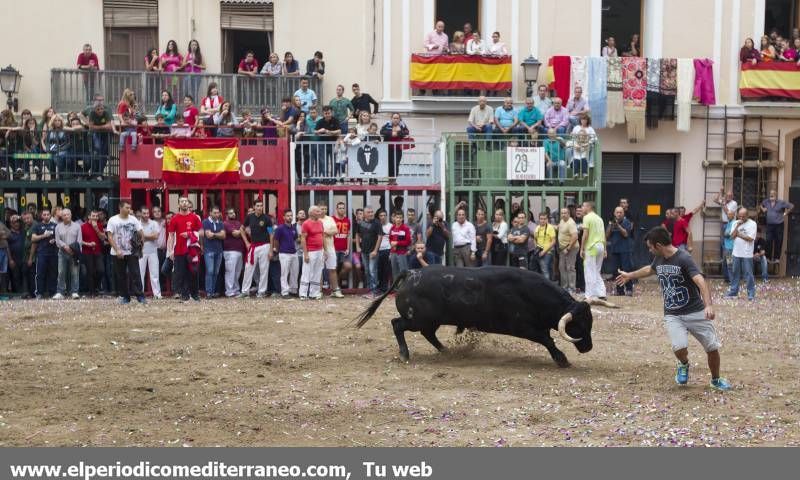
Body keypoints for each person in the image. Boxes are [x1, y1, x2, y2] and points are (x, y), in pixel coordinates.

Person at [615, 226, 732, 391]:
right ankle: (683, 364)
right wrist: (630, 275)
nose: (649, 250)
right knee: (679, 347)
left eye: (650, 247)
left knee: (712, 347)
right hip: (673, 314)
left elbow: (701, 281)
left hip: (695, 311)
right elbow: (650, 269)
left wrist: (708, 305)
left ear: (659, 245)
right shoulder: (659, 258)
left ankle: (716, 379)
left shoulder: (684, 258)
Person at [106, 201, 145, 305]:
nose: (129, 210)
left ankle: (140, 296)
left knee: (136, 273)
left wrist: (141, 246)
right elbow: (109, 236)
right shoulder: (113, 220)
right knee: (121, 275)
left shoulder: (133, 219)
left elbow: (141, 232)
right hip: (117, 252)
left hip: (131, 251)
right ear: (120, 208)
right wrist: (117, 249)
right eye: (127, 208)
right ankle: (125, 297)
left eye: (129, 208)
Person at [168, 197, 202, 302]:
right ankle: (185, 295)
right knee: (180, 273)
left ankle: (195, 294)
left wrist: (189, 234)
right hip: (179, 250)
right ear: (178, 205)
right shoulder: (174, 218)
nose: (184, 203)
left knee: (194, 272)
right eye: (182, 201)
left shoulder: (195, 217)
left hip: (192, 250)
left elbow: (200, 232)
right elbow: (171, 236)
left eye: (186, 201)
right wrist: (170, 251)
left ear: (188, 203)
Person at [239, 200, 273, 298]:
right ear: (254, 207)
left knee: (264, 269)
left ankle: (261, 292)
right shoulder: (250, 217)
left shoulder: (267, 219)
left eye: (261, 206)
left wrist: (271, 250)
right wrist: (246, 242)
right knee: (248, 268)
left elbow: (271, 234)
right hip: (253, 246)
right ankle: (245, 291)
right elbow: (241, 229)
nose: (259, 207)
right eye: (257, 206)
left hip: (265, 246)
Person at [724, 207, 757, 301]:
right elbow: (731, 237)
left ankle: (751, 294)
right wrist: (737, 227)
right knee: (735, 273)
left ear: (747, 215)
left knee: (748, 274)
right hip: (736, 253)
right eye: (740, 216)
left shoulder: (752, 224)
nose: (741, 218)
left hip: (747, 253)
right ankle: (733, 292)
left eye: (743, 216)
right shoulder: (735, 223)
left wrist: (738, 234)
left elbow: (750, 238)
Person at [52, 208, 82, 300]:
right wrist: (65, 246)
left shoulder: (77, 226)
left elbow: (79, 240)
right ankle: (60, 292)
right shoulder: (57, 227)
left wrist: (74, 250)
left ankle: (74, 292)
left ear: (71, 215)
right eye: (64, 215)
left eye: (68, 214)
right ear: (62, 216)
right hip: (62, 252)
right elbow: (57, 241)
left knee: (74, 272)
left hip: (74, 253)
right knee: (61, 272)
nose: (66, 216)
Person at [580, 201, 606, 301]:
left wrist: (582, 248)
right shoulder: (599, 219)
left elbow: (585, 235)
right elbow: (603, 234)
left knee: (589, 271)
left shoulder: (587, 218)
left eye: (583, 206)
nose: (582, 208)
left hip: (591, 247)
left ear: (588, 207)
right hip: (600, 246)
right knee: (597, 270)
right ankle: (601, 293)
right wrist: (605, 249)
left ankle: (589, 295)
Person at [317, 204, 344, 298]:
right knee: (319, 270)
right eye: (322, 209)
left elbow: (335, 231)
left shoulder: (330, 219)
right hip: (319, 248)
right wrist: (328, 232)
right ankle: (318, 291)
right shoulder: (316, 220)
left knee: (332, 269)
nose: (324, 210)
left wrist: (325, 232)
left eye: (325, 209)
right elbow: (317, 233)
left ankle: (335, 290)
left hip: (330, 247)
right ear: (318, 209)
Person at [356, 207, 383, 298]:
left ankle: (374, 291)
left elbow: (380, 236)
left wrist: (375, 250)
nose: (371, 214)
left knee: (372, 271)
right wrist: (357, 246)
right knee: (367, 271)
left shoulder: (377, 222)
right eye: (368, 212)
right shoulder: (361, 223)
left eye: (372, 212)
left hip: (373, 252)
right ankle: (369, 290)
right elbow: (357, 234)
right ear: (364, 214)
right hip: (364, 251)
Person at [759, 189, 794, 262]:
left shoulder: (781, 202)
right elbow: (760, 205)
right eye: (771, 194)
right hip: (769, 225)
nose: (772, 195)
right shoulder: (766, 201)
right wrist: (763, 209)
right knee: (768, 241)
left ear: (776, 195)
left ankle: (776, 258)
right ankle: (768, 257)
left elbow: (791, 206)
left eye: (773, 194)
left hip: (779, 225)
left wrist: (786, 213)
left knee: (778, 241)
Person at [30, 209, 58, 299]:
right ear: (41, 216)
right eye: (44, 214)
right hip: (41, 253)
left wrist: (55, 240)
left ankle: (52, 292)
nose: (46, 216)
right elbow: (33, 238)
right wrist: (43, 236)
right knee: (40, 274)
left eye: (48, 214)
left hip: (53, 253)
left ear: (50, 215)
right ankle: (39, 293)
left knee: (53, 273)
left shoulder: (55, 226)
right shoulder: (38, 226)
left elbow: (59, 238)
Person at [606, 206, 633, 296]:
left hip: (625, 250)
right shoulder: (611, 223)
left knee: (626, 270)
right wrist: (611, 225)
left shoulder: (627, 222)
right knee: (616, 271)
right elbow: (606, 236)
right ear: (614, 213)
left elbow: (625, 234)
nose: (619, 214)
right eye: (617, 212)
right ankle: (620, 290)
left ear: (623, 213)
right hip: (614, 250)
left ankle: (629, 289)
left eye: (620, 212)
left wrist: (618, 225)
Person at [299, 206, 325, 299]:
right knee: (307, 272)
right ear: (312, 213)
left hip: (320, 251)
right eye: (318, 211)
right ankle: (303, 293)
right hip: (310, 251)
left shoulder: (320, 222)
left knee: (317, 272)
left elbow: (322, 236)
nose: (320, 212)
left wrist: (324, 250)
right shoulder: (306, 223)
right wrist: (306, 254)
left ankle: (313, 293)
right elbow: (303, 239)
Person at [713, 189, 738, 281]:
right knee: (725, 252)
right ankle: (727, 277)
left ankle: (731, 277)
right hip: (723, 224)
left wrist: (723, 203)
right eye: (727, 195)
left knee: (729, 255)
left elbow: (729, 213)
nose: (728, 197)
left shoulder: (734, 203)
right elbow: (715, 199)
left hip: (729, 225)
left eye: (730, 196)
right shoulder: (724, 201)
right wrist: (720, 191)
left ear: (732, 196)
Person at [272, 209, 298, 297]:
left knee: (295, 272)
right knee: (284, 273)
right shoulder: (280, 228)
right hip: (284, 253)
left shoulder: (294, 228)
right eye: (288, 215)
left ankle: (293, 290)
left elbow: (295, 239)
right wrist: (278, 250)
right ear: (284, 217)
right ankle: (285, 292)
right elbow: (276, 240)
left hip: (294, 253)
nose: (290, 217)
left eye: (291, 215)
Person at [138, 207, 162, 299]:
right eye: (144, 213)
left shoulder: (154, 223)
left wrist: (143, 236)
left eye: (147, 213)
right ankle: (140, 294)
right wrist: (149, 236)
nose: (146, 215)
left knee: (155, 274)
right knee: (140, 274)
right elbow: (137, 237)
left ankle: (157, 294)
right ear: (141, 214)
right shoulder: (137, 224)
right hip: (141, 252)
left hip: (153, 251)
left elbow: (155, 236)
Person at [202, 206, 225, 298]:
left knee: (216, 272)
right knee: (210, 271)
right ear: (210, 213)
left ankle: (212, 291)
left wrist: (214, 234)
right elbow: (208, 235)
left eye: (218, 212)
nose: (217, 214)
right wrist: (218, 234)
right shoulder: (205, 222)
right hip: (209, 250)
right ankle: (209, 292)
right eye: (215, 213)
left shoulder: (220, 223)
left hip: (219, 250)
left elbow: (223, 236)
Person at [222, 208, 245, 297]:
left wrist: (240, 231)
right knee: (230, 271)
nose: (233, 214)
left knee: (237, 272)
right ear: (227, 215)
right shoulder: (225, 223)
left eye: (234, 212)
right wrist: (241, 231)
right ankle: (229, 291)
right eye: (231, 213)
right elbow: (235, 233)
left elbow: (242, 232)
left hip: (239, 251)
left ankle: (236, 290)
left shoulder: (238, 223)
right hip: (230, 251)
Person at [380, 113, 410, 180]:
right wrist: (391, 133)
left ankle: (394, 180)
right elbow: (382, 132)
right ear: (391, 119)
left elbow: (406, 132)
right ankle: (390, 180)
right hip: (388, 148)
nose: (395, 119)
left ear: (399, 119)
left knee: (396, 164)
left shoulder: (402, 125)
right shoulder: (387, 124)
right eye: (394, 118)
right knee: (389, 164)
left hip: (398, 148)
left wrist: (397, 133)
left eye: (397, 118)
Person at [557, 208, 579, 292]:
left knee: (570, 268)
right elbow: (558, 228)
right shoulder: (562, 221)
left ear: (569, 214)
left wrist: (568, 248)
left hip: (571, 248)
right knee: (562, 267)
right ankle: (564, 287)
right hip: (563, 248)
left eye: (565, 213)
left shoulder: (571, 223)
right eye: (562, 213)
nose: (563, 214)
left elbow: (575, 236)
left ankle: (572, 288)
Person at [333, 202, 353, 290]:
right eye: (340, 208)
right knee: (335, 268)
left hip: (344, 249)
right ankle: (336, 287)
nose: (342, 209)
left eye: (343, 208)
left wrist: (348, 248)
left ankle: (338, 281)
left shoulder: (347, 220)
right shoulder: (332, 219)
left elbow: (348, 235)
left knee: (348, 266)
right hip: (334, 249)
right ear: (336, 209)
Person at [531, 212, 556, 280]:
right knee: (541, 270)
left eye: (544, 219)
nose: (543, 220)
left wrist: (544, 252)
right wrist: (537, 248)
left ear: (547, 219)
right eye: (541, 219)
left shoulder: (550, 227)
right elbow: (535, 239)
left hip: (548, 252)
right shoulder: (537, 228)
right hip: (539, 252)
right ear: (539, 219)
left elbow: (553, 241)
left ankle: (547, 287)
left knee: (545, 270)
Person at [388, 210, 412, 279]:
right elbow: (390, 239)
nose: (398, 219)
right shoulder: (392, 228)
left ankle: (404, 288)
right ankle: (396, 288)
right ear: (394, 218)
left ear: (403, 219)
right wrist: (392, 245)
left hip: (401, 252)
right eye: (397, 217)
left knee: (403, 271)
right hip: (393, 253)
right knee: (394, 271)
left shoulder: (405, 228)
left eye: (400, 217)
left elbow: (408, 242)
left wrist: (397, 243)